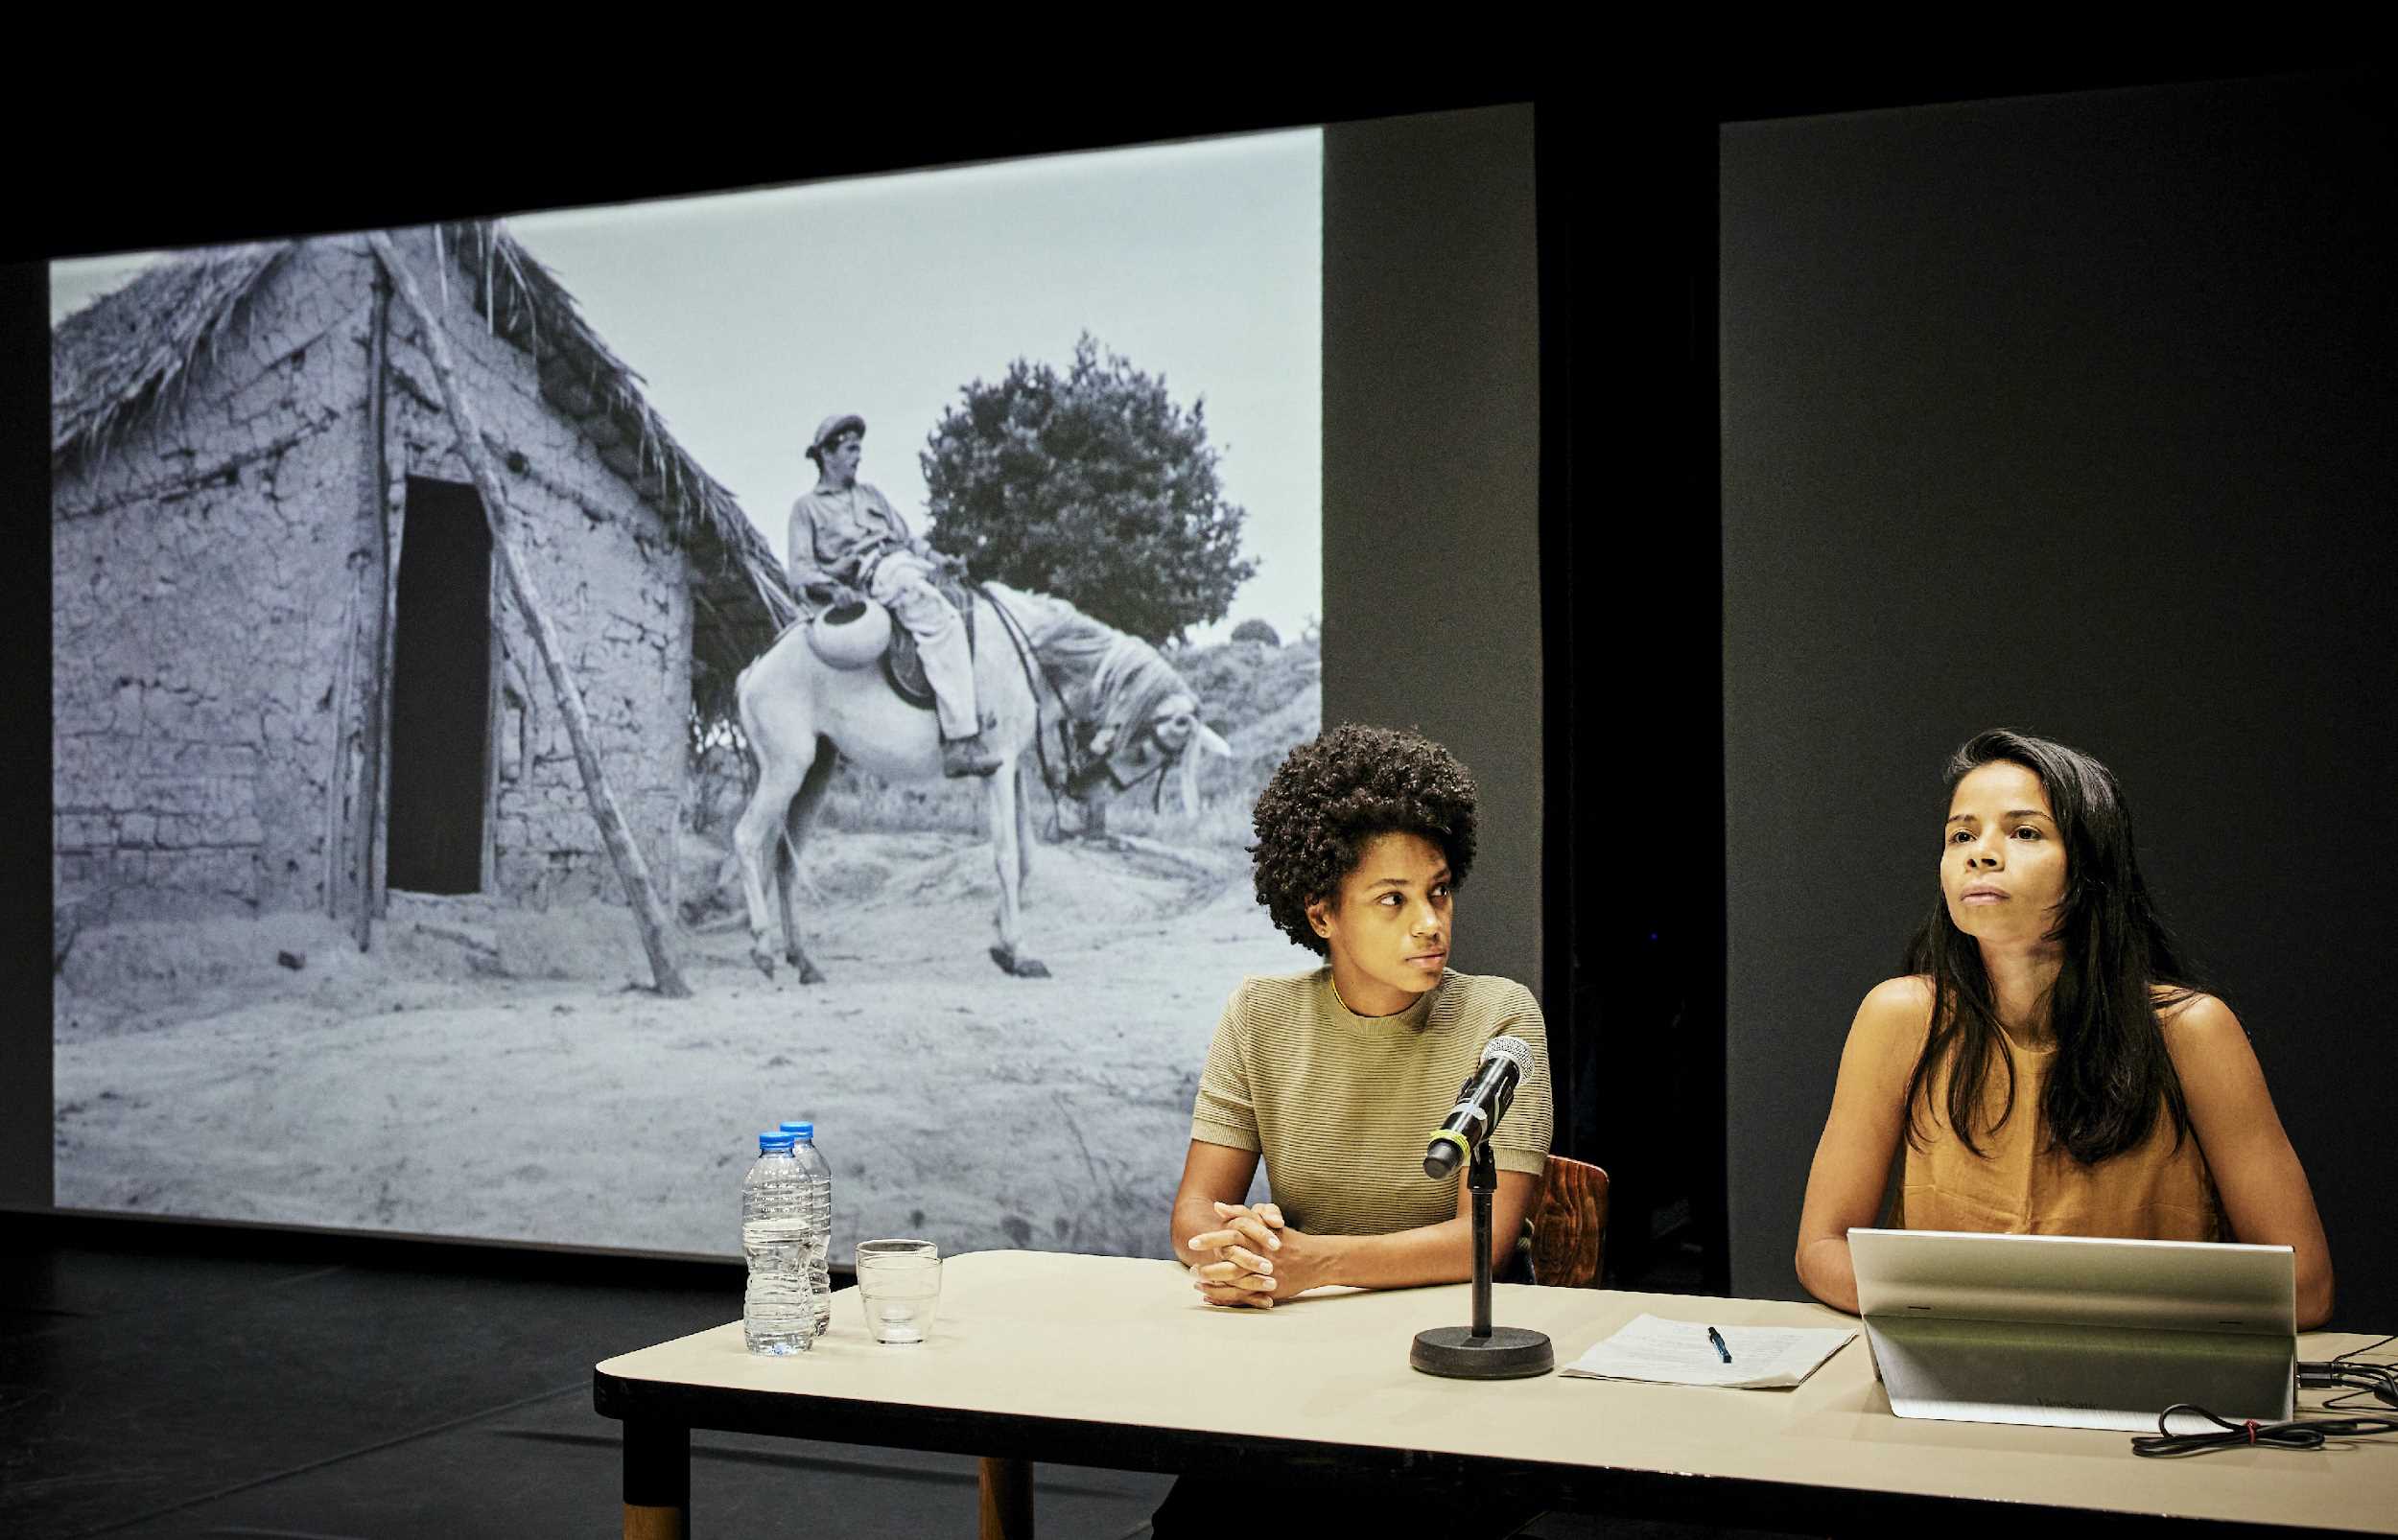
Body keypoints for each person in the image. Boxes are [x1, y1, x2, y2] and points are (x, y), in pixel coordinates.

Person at [1150, 724, 1552, 1536]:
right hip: (1304, 1351)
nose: (1430, 923)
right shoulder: (1260, 1013)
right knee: (1198, 1522)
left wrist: (1311, 1264)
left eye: (1438, 892)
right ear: (1323, 913)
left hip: (1454, 1362)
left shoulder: (1500, 1016)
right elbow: (1194, 1211)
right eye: (1393, 899)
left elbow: (1488, 1238)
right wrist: (1240, 1251)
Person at [1795, 730, 2334, 1327]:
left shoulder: (2189, 1030)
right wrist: (1974, 1315)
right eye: (1962, 835)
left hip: (2152, 1380)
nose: (1981, 853)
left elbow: (2304, 1286)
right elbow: (1821, 1249)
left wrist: (2080, 1321)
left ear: (2089, 865)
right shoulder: (1899, 1017)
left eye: (2024, 832)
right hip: (1952, 1363)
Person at [787, 413, 998, 778]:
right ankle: (959, 741)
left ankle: (986, 709)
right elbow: (800, 570)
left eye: (859, 449)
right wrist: (834, 588)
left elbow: (908, 539)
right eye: (851, 449)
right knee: (938, 618)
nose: (858, 457)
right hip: (874, 574)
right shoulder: (807, 508)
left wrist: (939, 559)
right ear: (827, 454)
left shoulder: (872, 495)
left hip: (906, 564)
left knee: (971, 609)